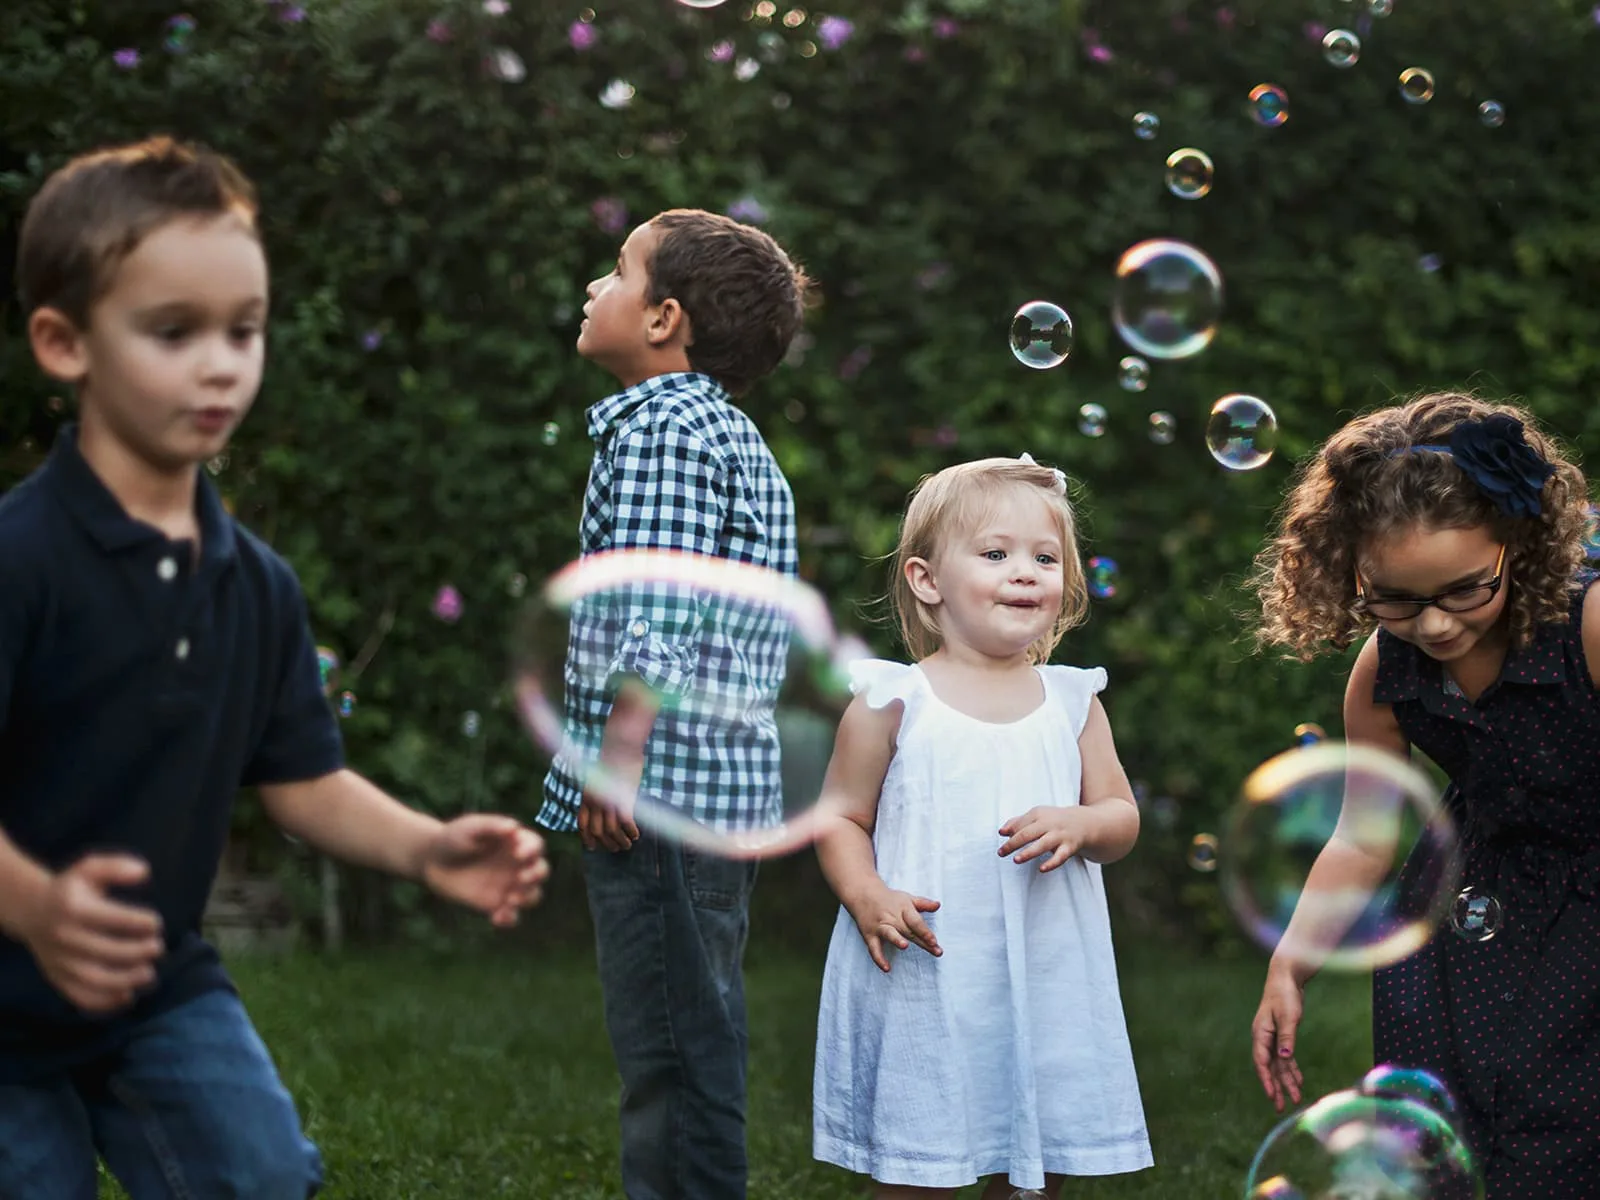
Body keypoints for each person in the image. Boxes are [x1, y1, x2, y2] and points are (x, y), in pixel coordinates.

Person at [0, 136, 550, 1199]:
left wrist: (429, 848)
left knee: (260, 1178)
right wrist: (32, 903)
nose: (221, 362)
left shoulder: (255, 584)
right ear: (65, 343)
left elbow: (300, 777)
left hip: (155, 988)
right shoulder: (23, 564)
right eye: (174, 331)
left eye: (243, 331)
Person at [1246, 391, 1600, 1197]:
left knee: (1563, 1127)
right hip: (1471, 903)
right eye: (1397, 598)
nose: (1435, 626)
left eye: (1465, 590)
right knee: (1440, 1133)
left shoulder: (1588, 623)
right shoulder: (1384, 669)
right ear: (1351, 573)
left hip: (1589, 899)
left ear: (1519, 544)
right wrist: (1290, 963)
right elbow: (1363, 836)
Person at [538, 208, 812, 1200]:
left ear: (662, 319)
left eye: (614, 272)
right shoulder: (723, 434)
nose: (590, 288)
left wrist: (619, 756)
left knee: (672, 1055)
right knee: (695, 1033)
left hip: (661, 797)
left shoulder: (663, 427)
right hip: (709, 797)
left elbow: (656, 603)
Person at [811, 454, 1154, 1199]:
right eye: (995, 554)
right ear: (927, 580)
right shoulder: (893, 700)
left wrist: (1082, 823)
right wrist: (867, 893)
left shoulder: (1071, 702)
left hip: (1045, 965)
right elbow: (840, 815)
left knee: (1037, 1152)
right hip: (929, 970)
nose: (1024, 572)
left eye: (1044, 557)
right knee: (918, 1156)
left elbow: (1121, 817)